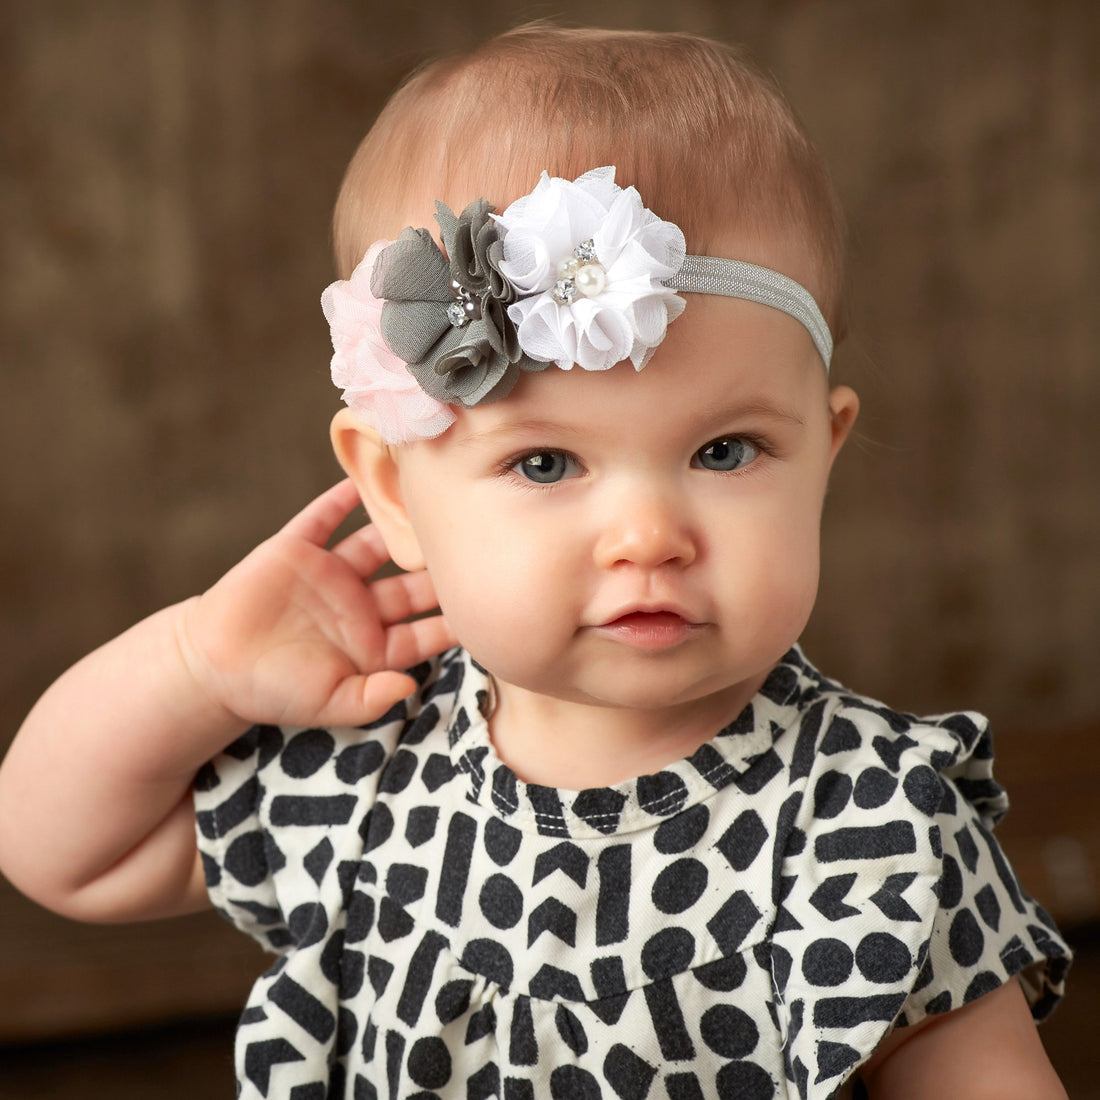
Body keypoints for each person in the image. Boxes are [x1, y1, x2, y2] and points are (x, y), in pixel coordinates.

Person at [0, 24, 1071, 1100]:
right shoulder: (370, 769)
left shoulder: (869, 825)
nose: (647, 533)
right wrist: (195, 663)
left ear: (822, 453)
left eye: (723, 450)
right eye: (546, 461)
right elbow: (60, 850)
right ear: (392, 492)